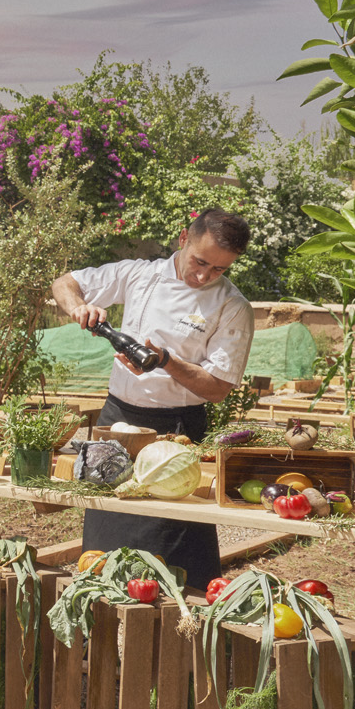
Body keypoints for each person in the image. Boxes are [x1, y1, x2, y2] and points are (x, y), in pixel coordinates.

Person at [50, 209, 256, 589]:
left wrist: (166, 362)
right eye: (200, 261)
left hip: (176, 431)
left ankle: (184, 631)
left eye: (218, 270)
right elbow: (64, 282)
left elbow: (219, 387)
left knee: (174, 551)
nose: (203, 276)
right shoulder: (138, 274)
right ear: (183, 239)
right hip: (115, 421)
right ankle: (97, 634)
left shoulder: (233, 306)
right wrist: (79, 307)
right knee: (104, 543)